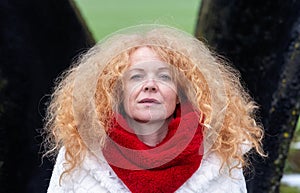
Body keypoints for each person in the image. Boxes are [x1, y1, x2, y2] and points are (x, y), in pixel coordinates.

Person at [44, 24, 265, 193]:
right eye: (136, 76)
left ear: (181, 94)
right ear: (117, 92)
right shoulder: (80, 154)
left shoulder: (221, 156)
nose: (150, 85)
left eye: (164, 76)